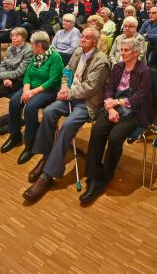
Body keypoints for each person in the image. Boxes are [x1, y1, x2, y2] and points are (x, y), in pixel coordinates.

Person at [23, 28, 111, 201]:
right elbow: (66, 71)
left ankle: (47, 175)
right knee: (48, 112)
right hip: (68, 96)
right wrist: (64, 86)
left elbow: (91, 87)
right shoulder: (78, 51)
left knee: (68, 125)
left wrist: (68, 93)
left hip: (87, 102)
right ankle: (46, 157)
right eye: (82, 36)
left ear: (94, 41)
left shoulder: (102, 60)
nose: (82, 40)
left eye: (86, 38)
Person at [81, 37, 153, 205]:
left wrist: (117, 103)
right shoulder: (117, 66)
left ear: (136, 53)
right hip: (114, 106)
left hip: (135, 111)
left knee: (114, 137)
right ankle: (92, 174)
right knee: (97, 130)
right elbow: (109, 88)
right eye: (121, 50)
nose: (122, 53)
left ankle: (106, 176)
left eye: (126, 50)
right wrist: (110, 107)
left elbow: (140, 97)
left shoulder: (144, 71)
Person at [1, 31, 63, 164]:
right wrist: (26, 89)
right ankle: (15, 135)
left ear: (39, 46)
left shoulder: (55, 57)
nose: (31, 46)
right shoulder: (36, 56)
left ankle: (30, 143)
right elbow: (28, 74)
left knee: (30, 107)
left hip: (47, 90)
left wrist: (32, 92)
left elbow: (53, 80)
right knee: (14, 102)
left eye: (33, 44)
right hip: (31, 88)